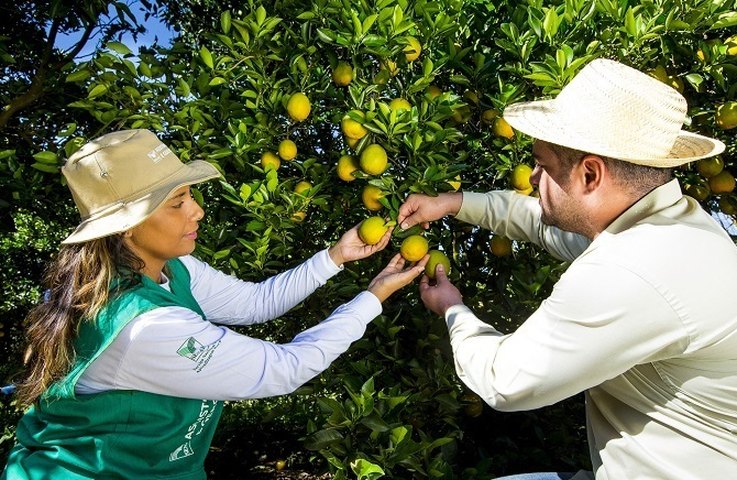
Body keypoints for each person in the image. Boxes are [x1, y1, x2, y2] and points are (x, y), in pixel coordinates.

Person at [398, 58, 737, 480]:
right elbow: (545, 223)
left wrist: (453, 309)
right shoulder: (671, 225)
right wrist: (451, 203)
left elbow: (506, 381)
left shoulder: (632, 269)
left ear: (591, 174)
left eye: (543, 165)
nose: (533, 175)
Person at [2, 128, 427, 479]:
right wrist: (375, 296)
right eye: (178, 202)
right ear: (127, 228)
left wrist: (334, 257)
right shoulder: (143, 328)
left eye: (190, 196)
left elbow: (256, 302)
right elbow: (284, 369)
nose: (198, 211)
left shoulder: (171, 268)